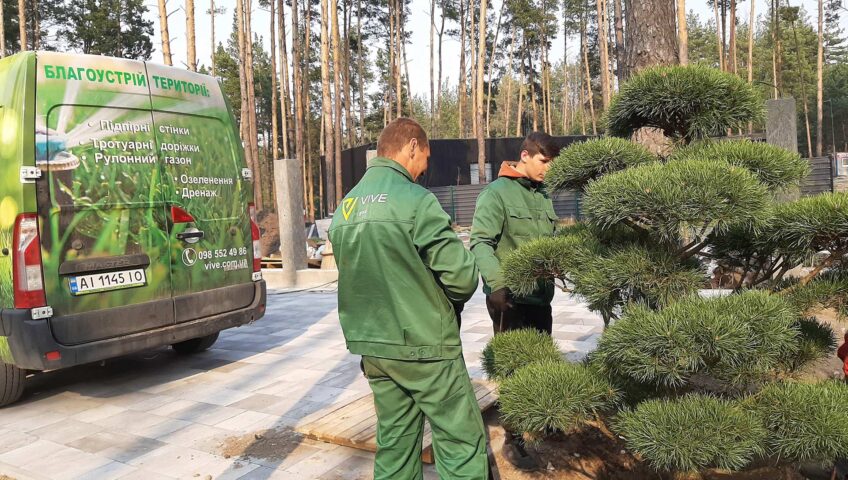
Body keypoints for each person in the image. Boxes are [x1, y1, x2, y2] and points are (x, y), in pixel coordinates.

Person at [328, 117, 489, 480]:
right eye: (424, 160)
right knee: (461, 444)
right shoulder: (417, 202)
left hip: (375, 349)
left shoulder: (346, 207)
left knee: (395, 446)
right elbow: (462, 279)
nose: (422, 171)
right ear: (412, 146)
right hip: (425, 346)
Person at [469, 131, 561, 470]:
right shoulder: (496, 194)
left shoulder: (544, 195)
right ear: (525, 156)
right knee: (513, 368)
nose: (548, 169)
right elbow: (480, 242)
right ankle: (516, 435)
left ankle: (546, 416)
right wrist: (496, 284)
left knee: (543, 359)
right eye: (544, 162)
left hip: (540, 298)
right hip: (508, 298)